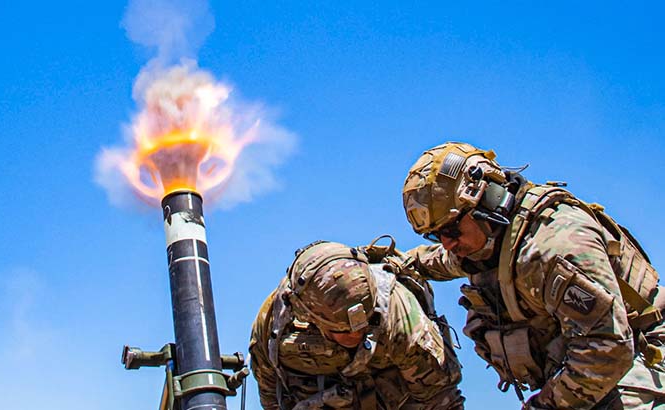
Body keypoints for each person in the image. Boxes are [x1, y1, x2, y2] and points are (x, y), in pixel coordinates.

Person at [401, 141, 665, 409]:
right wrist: (377, 259)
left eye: (452, 229)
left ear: (487, 199)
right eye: (436, 235)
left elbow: (610, 348)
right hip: (594, 365)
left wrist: (544, 405)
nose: (447, 243)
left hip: (643, 355)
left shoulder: (553, 246)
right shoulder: (483, 245)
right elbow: (433, 261)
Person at [249, 240, 464, 409]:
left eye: (366, 324)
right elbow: (271, 394)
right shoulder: (275, 325)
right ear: (309, 316)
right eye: (343, 330)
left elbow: (438, 397)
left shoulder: (399, 314)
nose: (357, 335)